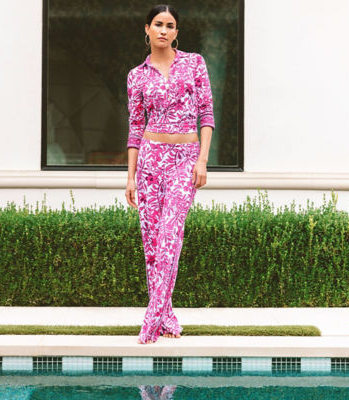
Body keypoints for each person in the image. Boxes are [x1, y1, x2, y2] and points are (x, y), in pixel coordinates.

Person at [125, 4, 215, 345]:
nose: (164, 30)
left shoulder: (194, 64)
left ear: (177, 32)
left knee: (170, 236)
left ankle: (151, 317)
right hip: (149, 160)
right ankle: (166, 316)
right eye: (158, 24)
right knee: (151, 243)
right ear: (147, 29)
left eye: (170, 25)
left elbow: (206, 114)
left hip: (184, 158)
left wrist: (202, 161)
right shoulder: (137, 76)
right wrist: (131, 177)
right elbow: (135, 128)